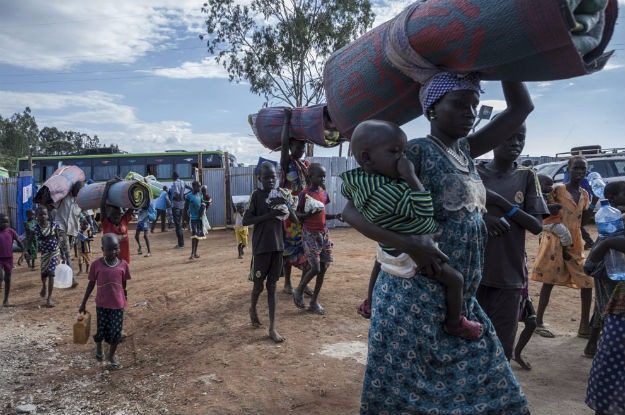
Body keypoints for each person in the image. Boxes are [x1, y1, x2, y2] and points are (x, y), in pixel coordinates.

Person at [342, 74, 533, 414]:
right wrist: (409, 243)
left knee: (497, 393)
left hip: (460, 301)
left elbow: (522, 107)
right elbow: (351, 210)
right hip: (414, 299)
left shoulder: (465, 152)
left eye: (474, 105)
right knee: (406, 400)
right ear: (431, 110)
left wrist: (507, 63)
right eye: (459, 104)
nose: (469, 112)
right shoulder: (413, 152)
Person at [342, 119, 484, 339]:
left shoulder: (359, 181)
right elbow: (424, 208)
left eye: (404, 152)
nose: (403, 159)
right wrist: (411, 176)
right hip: (413, 253)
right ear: (367, 158)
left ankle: (369, 303)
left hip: (390, 249)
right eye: (395, 152)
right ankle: (455, 323)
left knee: (378, 262)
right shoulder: (387, 192)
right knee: (455, 280)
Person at [476, 121, 546, 365]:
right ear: (494, 139)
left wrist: (503, 204)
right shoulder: (475, 172)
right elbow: (454, 213)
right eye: (509, 137)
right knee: (469, 343)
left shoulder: (527, 176)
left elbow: (537, 226)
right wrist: (484, 219)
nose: (515, 144)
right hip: (474, 271)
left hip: (509, 275)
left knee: (501, 349)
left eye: (520, 138)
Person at [530, 156, 593, 338]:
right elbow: (543, 209)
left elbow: (582, 221)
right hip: (554, 242)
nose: (579, 172)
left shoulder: (584, 195)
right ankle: (538, 321)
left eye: (583, 169)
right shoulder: (558, 190)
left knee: (587, 282)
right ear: (569, 169)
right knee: (549, 282)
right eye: (576, 169)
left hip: (574, 243)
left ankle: (583, 327)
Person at [243, 161, 296, 343]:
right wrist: (269, 215)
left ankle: (272, 328)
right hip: (261, 248)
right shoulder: (257, 196)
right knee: (258, 286)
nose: (270, 180)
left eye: (273, 176)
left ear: (278, 176)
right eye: (266, 177)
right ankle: (252, 307)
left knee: (272, 287)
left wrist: (288, 207)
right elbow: (246, 220)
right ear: (260, 178)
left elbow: (294, 219)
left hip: (278, 246)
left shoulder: (281, 195)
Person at [583, 181, 625, 358]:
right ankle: (602, 347)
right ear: (612, 198)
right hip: (608, 270)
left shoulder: (616, 216)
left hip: (610, 268)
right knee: (608, 309)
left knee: (603, 307)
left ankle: (594, 345)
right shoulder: (613, 217)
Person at [584, 236, 625, 415]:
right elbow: (589, 268)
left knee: (606, 378)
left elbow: (589, 266)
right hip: (617, 320)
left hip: (618, 321)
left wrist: (608, 243)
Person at [292, 163, 341, 315]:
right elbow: (296, 214)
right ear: (310, 177)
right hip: (310, 234)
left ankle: (313, 302)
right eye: (319, 176)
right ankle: (299, 290)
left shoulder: (323, 193)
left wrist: (335, 216)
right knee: (316, 267)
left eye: (324, 176)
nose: (322, 179)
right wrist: (307, 215)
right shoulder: (304, 195)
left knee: (324, 267)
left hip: (324, 234)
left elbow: (322, 213)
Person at [78, 233, 131, 369]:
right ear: (103, 249)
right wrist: (83, 303)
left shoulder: (123, 265)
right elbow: (91, 284)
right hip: (102, 304)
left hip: (118, 304)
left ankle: (112, 356)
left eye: (116, 248)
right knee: (102, 330)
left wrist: (124, 296)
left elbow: (123, 283)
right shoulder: (96, 265)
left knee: (116, 332)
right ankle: (99, 345)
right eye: (110, 249)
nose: (114, 252)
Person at [279, 109, 311, 295]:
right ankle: (288, 283)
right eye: (298, 148)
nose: (301, 151)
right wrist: (287, 119)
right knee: (290, 247)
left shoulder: (304, 165)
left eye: (303, 148)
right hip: (290, 214)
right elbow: (283, 144)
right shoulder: (287, 162)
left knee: (305, 246)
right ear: (291, 147)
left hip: (304, 212)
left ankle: (304, 281)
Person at [537, 174, 574, 261]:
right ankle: (564, 251)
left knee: (541, 238)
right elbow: (544, 208)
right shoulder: (539, 196)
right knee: (566, 235)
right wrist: (556, 206)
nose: (551, 187)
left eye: (551, 185)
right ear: (538, 185)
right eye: (548, 185)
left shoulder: (546, 194)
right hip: (550, 223)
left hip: (542, 223)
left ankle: (542, 251)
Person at [55, 181, 83, 288]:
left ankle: (64, 275)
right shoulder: (63, 197)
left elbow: (82, 214)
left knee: (65, 253)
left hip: (72, 231)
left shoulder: (80, 201)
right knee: (67, 253)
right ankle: (72, 279)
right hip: (61, 228)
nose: (79, 193)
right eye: (78, 190)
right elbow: (53, 204)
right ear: (72, 189)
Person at [34, 206, 62, 307]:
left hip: (54, 252)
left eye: (44, 214)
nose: (43, 216)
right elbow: (37, 239)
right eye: (40, 215)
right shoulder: (37, 227)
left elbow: (58, 237)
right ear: (36, 216)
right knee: (43, 273)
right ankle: (44, 286)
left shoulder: (53, 225)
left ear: (47, 215)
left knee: (51, 273)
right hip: (45, 253)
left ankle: (49, 298)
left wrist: (59, 246)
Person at [100, 179, 133, 264]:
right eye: (114, 215)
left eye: (118, 214)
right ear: (108, 215)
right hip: (110, 261)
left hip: (124, 260)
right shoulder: (106, 223)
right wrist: (107, 186)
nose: (117, 216)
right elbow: (102, 205)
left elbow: (133, 205)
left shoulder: (124, 220)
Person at [0, 213, 24, 307]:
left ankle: (6, 300)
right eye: (3, 222)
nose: (5, 224)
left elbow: (19, 242)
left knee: (8, 279)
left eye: (7, 222)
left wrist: (24, 253)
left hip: (9, 258)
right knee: (0, 276)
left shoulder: (11, 231)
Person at [184, 181, 205, 260]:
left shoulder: (200, 195)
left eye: (200, 186)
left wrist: (203, 205)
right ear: (193, 186)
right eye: (198, 186)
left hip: (199, 219)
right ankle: (192, 253)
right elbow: (185, 209)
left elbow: (202, 203)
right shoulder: (188, 196)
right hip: (193, 219)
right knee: (194, 235)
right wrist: (184, 221)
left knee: (198, 236)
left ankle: (195, 252)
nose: (199, 188)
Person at [170, 172, 187, 248]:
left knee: (178, 226)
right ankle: (181, 243)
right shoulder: (183, 182)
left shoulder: (174, 183)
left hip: (176, 205)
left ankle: (180, 244)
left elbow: (176, 193)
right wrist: (183, 198)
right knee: (179, 224)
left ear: (174, 176)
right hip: (182, 206)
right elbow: (191, 188)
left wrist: (178, 198)